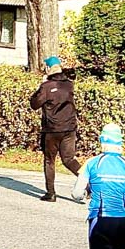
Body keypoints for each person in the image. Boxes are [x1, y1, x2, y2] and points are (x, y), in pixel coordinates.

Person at [29, 56, 82, 202]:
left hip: (52, 129)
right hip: (69, 128)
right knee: (69, 159)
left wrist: (41, 86)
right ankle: (88, 185)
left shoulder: (46, 86)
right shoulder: (69, 85)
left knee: (49, 160)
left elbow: (34, 104)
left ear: (48, 68)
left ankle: (51, 193)